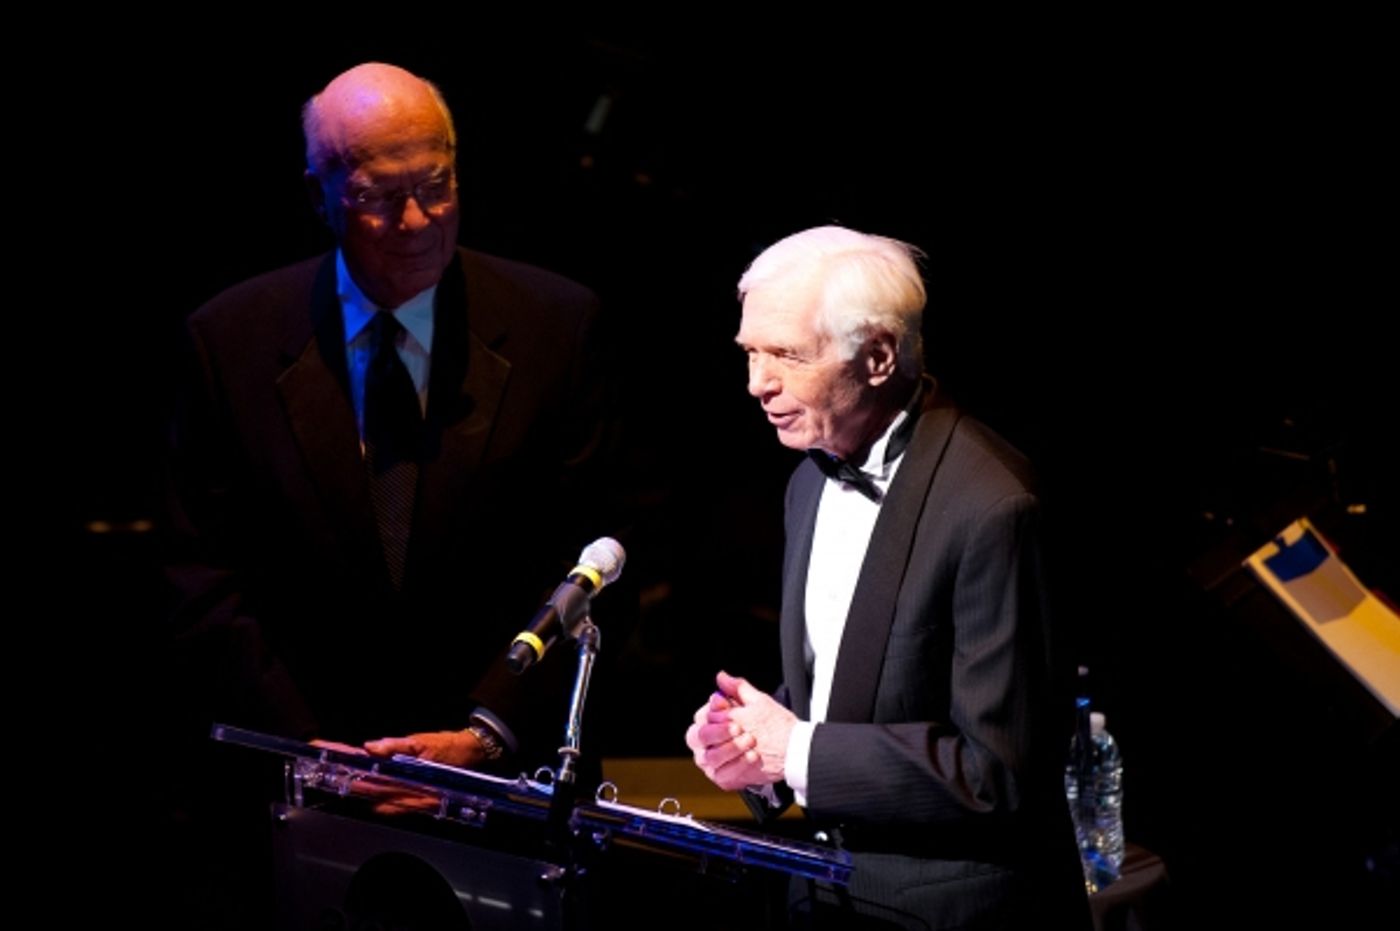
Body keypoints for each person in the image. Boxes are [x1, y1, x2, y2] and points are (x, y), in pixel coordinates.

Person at [161, 62, 608, 924]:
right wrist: (312, 749)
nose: (415, 223)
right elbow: (198, 576)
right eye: (377, 196)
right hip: (292, 795)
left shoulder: (561, 326)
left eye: (435, 187)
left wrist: (487, 732)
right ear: (321, 193)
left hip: (500, 798)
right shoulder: (230, 340)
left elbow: (596, 560)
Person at [685, 225, 1090, 930]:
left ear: (877, 356)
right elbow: (859, 687)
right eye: (751, 352)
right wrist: (756, 749)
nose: (757, 384)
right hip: (824, 894)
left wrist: (798, 747)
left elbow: (997, 773)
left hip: (949, 913)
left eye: (786, 354)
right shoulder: (807, 482)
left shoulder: (995, 506)